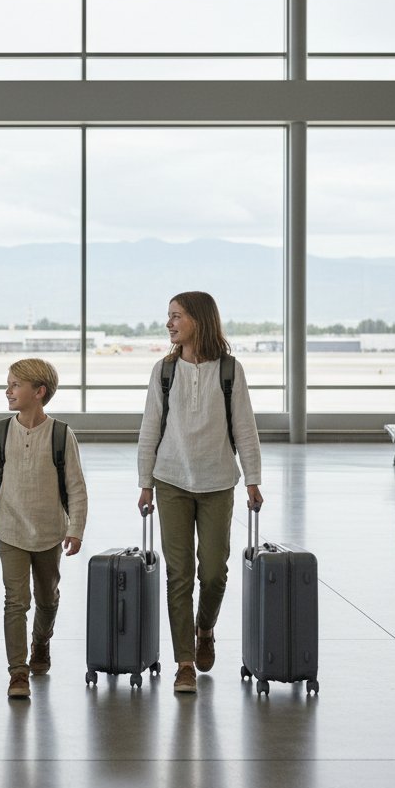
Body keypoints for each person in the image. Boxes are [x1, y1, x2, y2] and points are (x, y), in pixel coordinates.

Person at [136, 291, 263, 695]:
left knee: (213, 572)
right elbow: (150, 429)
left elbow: (244, 427)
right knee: (179, 576)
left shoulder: (229, 370)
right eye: (169, 316)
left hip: (217, 482)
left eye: (177, 317)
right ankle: (184, 662)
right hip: (171, 480)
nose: (170, 323)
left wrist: (253, 479)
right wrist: (145, 483)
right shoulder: (164, 370)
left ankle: (205, 627)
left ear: (199, 320)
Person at [0, 358, 88, 700]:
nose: (8, 391)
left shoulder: (62, 434)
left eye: (15, 385)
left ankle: (41, 641)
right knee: (14, 600)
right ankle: (17, 672)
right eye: (8, 384)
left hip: (50, 531)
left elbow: (76, 487)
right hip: (10, 529)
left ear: (39, 392)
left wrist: (76, 528)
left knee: (47, 599)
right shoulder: (1, 430)